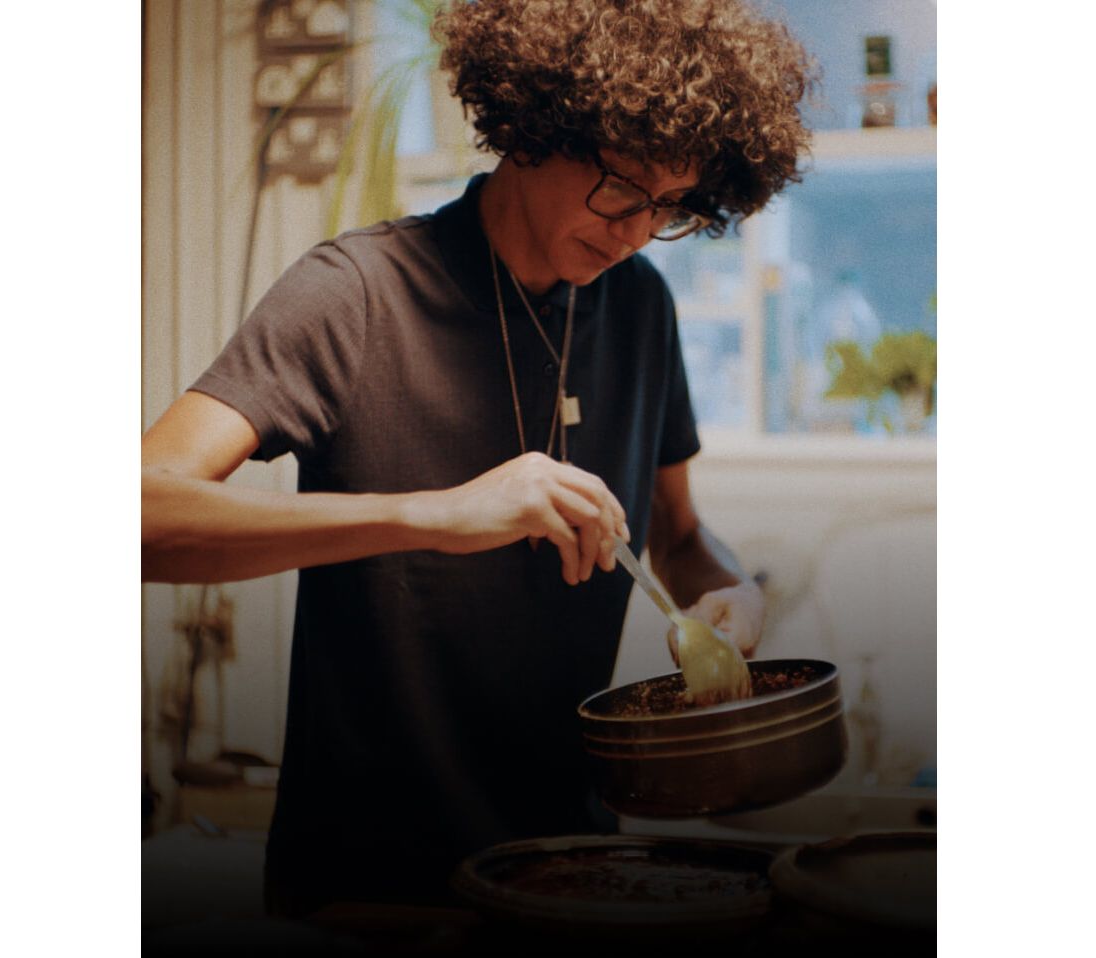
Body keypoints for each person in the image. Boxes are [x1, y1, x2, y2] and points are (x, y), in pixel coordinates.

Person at [140, 0, 815, 916]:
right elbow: (141, 517)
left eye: (670, 207)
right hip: (370, 884)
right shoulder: (356, 294)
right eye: (620, 188)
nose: (630, 230)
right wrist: (433, 513)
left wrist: (730, 592)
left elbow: (681, 535)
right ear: (537, 126)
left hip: (569, 862)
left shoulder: (640, 307)